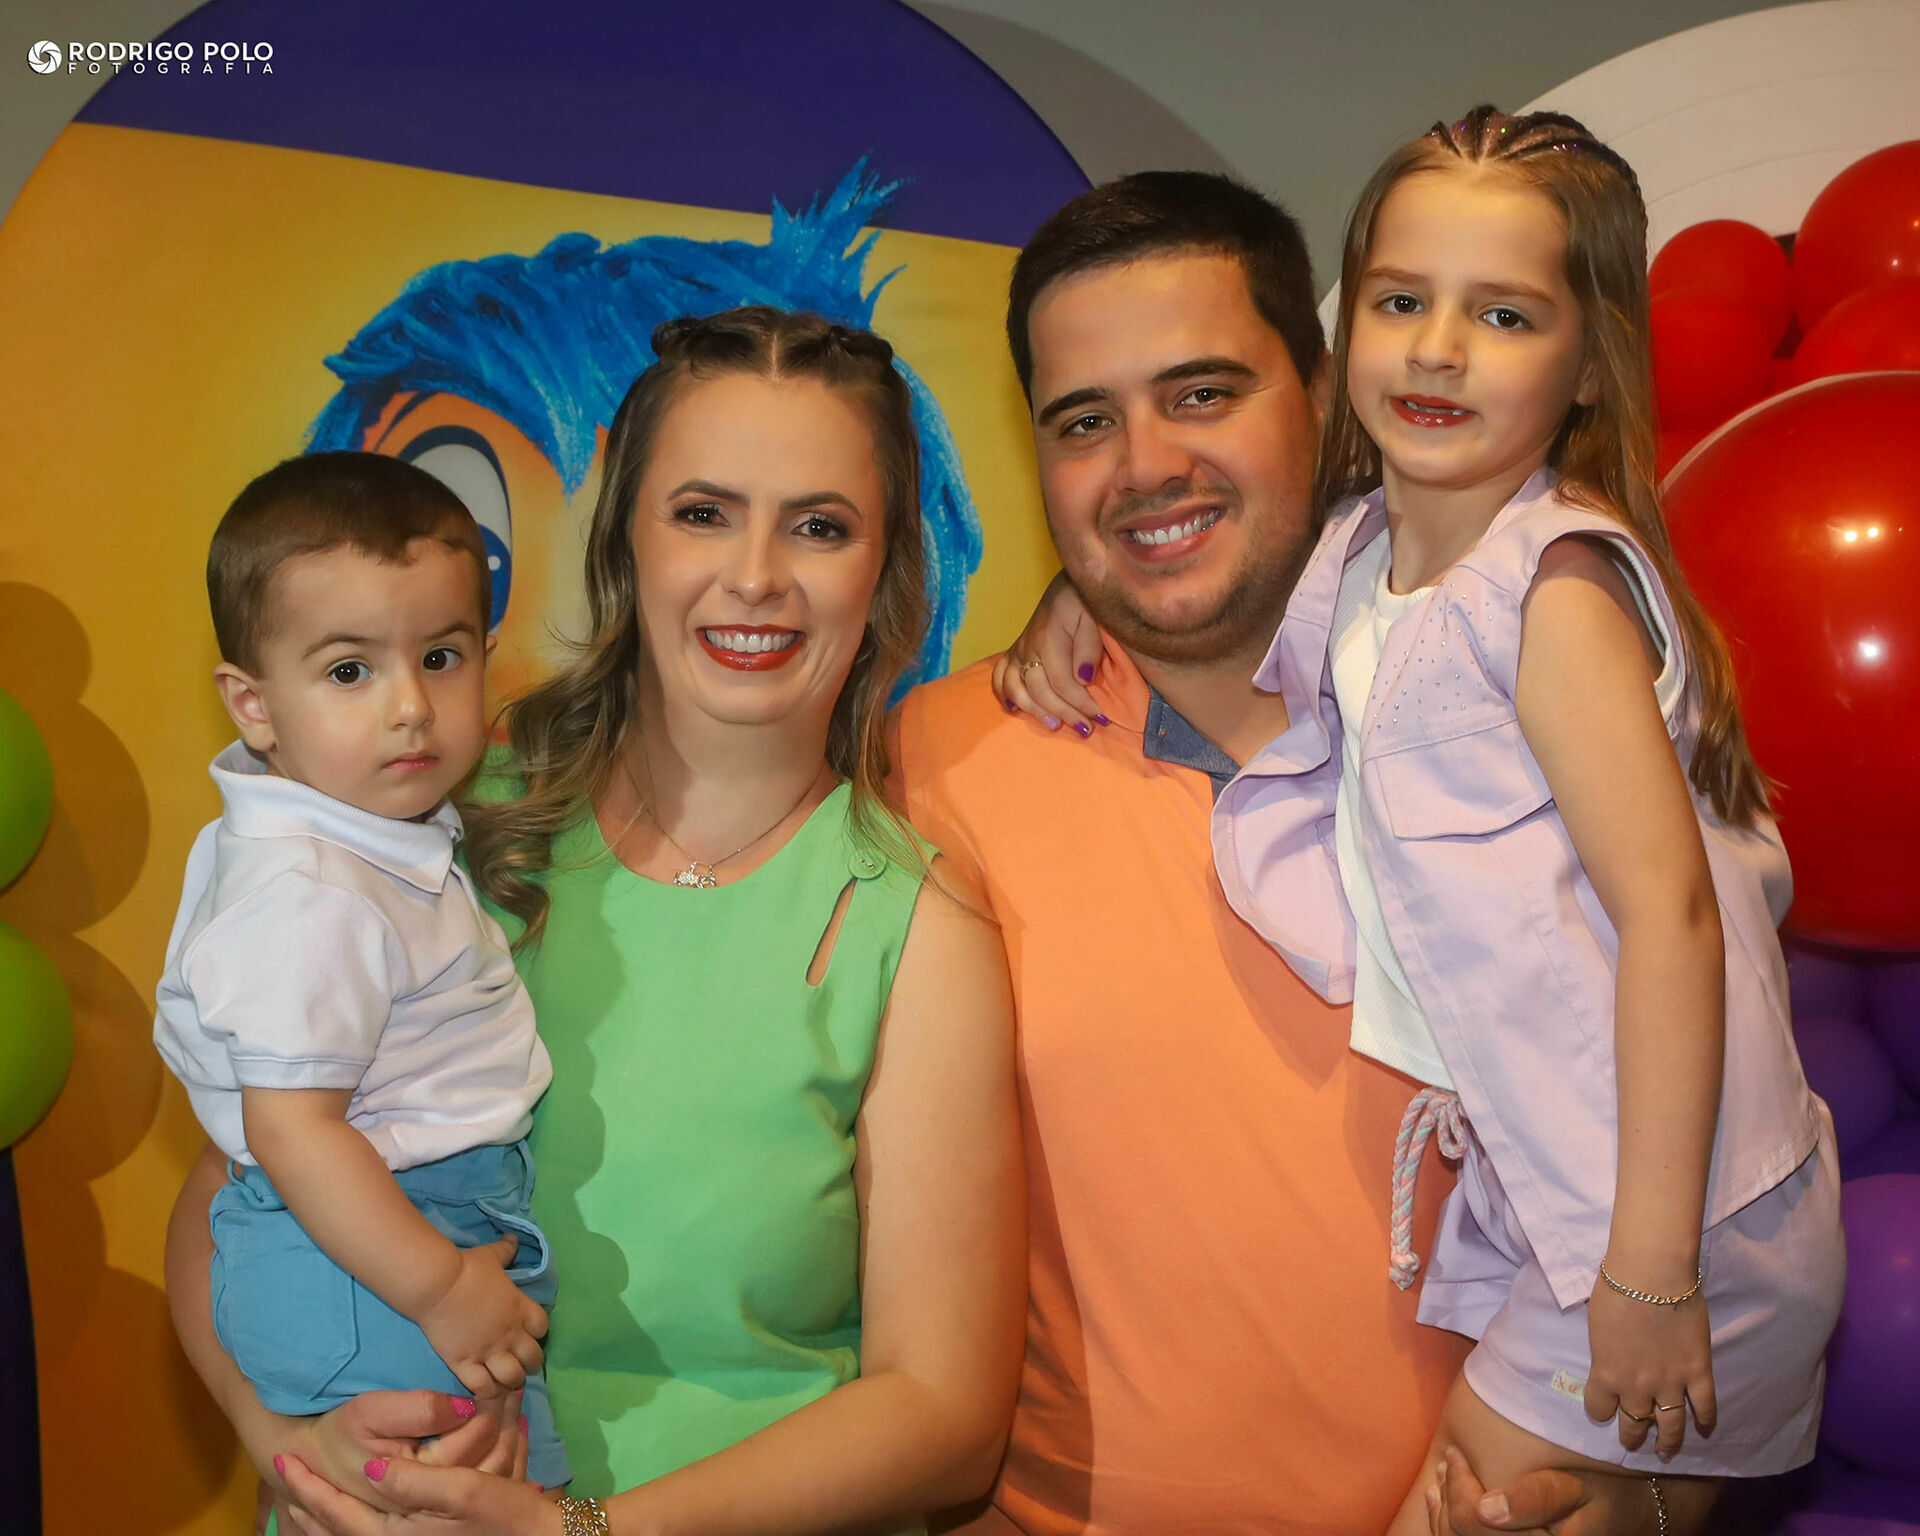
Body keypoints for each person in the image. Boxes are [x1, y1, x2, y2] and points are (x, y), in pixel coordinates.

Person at [997, 117, 1846, 1530]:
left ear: (1590, 362)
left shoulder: (1553, 593)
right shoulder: (1366, 556)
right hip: (1559, 1203)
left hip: (1666, 1221)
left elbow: (1674, 918)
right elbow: (1185, 523)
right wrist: (1079, 592)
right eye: (1403, 301)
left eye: (1502, 315)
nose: (1440, 350)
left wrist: (1650, 1278)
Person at [168, 307, 1024, 1536]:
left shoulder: (913, 929)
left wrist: (586, 1534)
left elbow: (944, 1416)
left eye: (820, 526)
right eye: (703, 512)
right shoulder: (433, 817)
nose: (756, 575)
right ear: (625, 540)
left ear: (889, 573)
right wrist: (294, 1452)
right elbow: (229, 1192)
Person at [153, 452, 569, 1489]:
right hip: (381, 1251)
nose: (410, 707)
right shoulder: (312, 891)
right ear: (253, 705)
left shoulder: (354, 834)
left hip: (391, 1238)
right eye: (350, 671)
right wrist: (440, 1289)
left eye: (441, 656)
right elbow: (291, 1132)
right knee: (460, 1499)